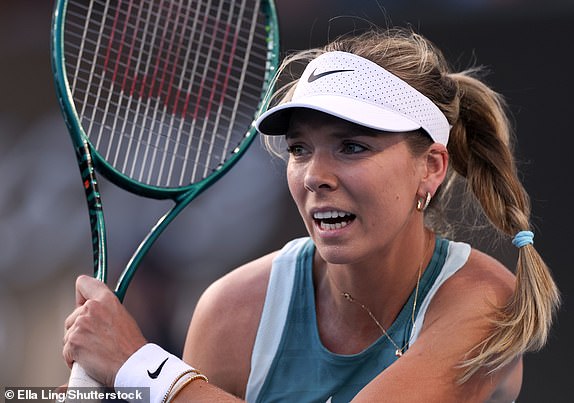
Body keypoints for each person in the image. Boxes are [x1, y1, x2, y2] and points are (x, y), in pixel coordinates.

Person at [62, 27, 560, 402]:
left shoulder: (484, 302)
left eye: (352, 146)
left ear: (430, 168)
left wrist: (141, 367)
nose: (313, 175)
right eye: (300, 148)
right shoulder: (234, 311)